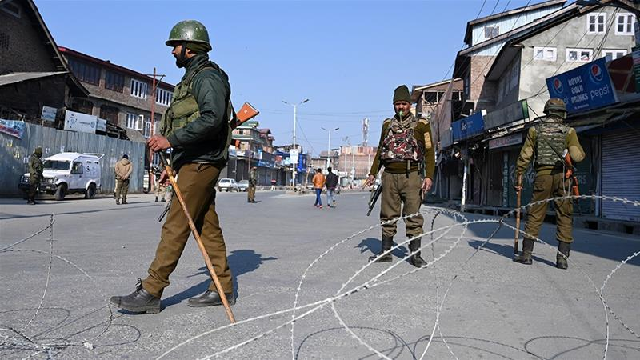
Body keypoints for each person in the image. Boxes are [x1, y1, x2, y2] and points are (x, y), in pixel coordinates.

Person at [110, 20, 236, 313]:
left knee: (175, 225)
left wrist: (170, 140)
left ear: (189, 48)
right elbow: (194, 122)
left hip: (203, 163)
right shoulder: (192, 79)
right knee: (206, 227)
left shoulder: (207, 78)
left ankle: (152, 291)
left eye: (175, 46)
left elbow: (212, 119)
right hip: (194, 162)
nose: (173, 52)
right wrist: (175, 163)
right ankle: (222, 286)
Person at [365, 85, 435, 267]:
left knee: (412, 215)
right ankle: (386, 252)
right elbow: (381, 150)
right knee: (388, 215)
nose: (401, 107)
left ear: (410, 104)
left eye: (404, 103)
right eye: (397, 104)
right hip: (389, 176)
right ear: (393, 105)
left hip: (411, 175)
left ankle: (415, 255)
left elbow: (429, 152)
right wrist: (373, 173)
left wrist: (429, 177)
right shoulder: (387, 125)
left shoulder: (422, 125)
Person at [513, 98, 585, 269]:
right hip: (563, 178)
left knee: (535, 214)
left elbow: (525, 156)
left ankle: (527, 254)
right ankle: (562, 259)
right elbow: (577, 156)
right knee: (565, 216)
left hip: (542, 178)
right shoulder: (569, 131)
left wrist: (518, 176)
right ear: (562, 113)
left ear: (547, 112)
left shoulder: (535, 131)